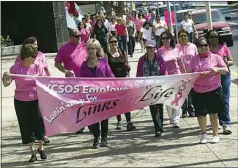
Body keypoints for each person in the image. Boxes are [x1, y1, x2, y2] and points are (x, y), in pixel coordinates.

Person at [2, 44, 47, 162]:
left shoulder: (37, 67)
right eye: (33, 56)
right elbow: (7, 84)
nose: (35, 58)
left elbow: (44, 82)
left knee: (39, 125)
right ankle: (32, 152)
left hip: (36, 100)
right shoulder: (15, 68)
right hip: (20, 101)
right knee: (26, 126)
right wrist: (5, 78)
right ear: (26, 56)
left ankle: (41, 148)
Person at [190, 37, 229, 143]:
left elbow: (226, 70)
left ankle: (215, 134)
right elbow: (189, 75)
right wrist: (197, 74)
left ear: (209, 46)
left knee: (213, 113)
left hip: (213, 89)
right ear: (197, 48)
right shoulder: (193, 60)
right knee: (201, 114)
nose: (203, 47)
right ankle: (203, 134)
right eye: (201, 46)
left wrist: (217, 69)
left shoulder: (216, 57)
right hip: (198, 91)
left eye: (205, 45)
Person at [79, 39, 114, 148]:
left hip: (103, 95)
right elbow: (80, 81)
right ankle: (96, 136)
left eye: (93, 48)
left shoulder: (103, 62)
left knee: (104, 117)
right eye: (89, 48)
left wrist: (115, 85)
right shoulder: (83, 65)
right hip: (90, 96)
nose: (90, 50)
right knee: (92, 118)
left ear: (97, 50)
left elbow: (110, 76)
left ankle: (104, 138)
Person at [15, 36, 51, 143]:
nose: (37, 46)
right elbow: (16, 71)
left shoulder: (41, 55)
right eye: (34, 44)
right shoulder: (21, 58)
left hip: (38, 90)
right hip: (24, 94)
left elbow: (45, 69)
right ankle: (33, 136)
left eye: (37, 44)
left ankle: (42, 135)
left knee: (40, 115)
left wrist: (49, 82)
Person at [55, 29, 87, 134]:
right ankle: (78, 124)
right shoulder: (64, 48)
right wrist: (65, 70)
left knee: (86, 102)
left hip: (86, 79)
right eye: (76, 36)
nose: (79, 38)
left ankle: (88, 123)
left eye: (79, 36)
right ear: (70, 37)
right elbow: (57, 63)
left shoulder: (85, 46)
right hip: (71, 82)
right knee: (74, 104)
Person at [206, 30, 234, 135]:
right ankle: (218, 120)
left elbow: (232, 61)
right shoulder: (206, 49)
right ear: (208, 38)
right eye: (212, 37)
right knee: (216, 100)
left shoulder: (223, 48)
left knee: (225, 99)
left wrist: (227, 63)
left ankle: (226, 123)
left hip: (224, 75)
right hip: (212, 78)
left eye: (216, 37)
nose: (214, 39)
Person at [136, 40, 166, 137]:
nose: (149, 50)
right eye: (148, 48)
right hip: (147, 87)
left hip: (158, 86)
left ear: (154, 48)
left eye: (151, 48)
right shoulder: (142, 59)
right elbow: (139, 73)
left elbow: (163, 71)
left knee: (159, 106)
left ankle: (160, 126)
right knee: (152, 107)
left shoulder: (159, 58)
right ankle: (156, 126)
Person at [106, 36, 136, 131]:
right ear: (109, 43)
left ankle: (128, 121)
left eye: (115, 42)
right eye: (111, 42)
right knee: (116, 102)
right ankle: (119, 121)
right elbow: (106, 68)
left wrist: (128, 68)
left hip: (123, 80)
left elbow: (126, 64)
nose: (113, 44)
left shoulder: (122, 53)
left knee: (126, 101)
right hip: (113, 82)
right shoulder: (107, 54)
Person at [157, 31, 186, 128]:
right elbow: (158, 66)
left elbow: (180, 63)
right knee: (168, 99)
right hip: (165, 78)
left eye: (167, 38)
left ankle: (176, 119)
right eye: (163, 38)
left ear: (170, 39)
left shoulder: (176, 49)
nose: (165, 40)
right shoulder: (159, 51)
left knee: (177, 98)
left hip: (177, 76)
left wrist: (185, 74)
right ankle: (171, 117)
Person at [176, 29, 198, 117]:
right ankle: (184, 110)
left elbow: (197, 58)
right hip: (180, 74)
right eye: (181, 36)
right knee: (183, 92)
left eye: (185, 35)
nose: (183, 37)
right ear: (178, 38)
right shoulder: (176, 47)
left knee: (191, 92)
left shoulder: (193, 46)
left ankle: (191, 109)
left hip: (191, 74)